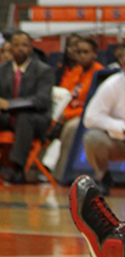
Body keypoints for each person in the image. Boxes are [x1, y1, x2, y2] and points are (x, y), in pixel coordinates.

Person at [0, 30, 54, 184]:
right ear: (10, 48)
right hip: (6, 118)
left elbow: (42, 100)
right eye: (16, 45)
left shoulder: (43, 70)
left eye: (25, 45)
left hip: (35, 119)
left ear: (31, 48)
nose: (21, 48)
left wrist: (10, 104)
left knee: (23, 117)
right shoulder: (1, 69)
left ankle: (18, 168)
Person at [52, 35, 103, 183]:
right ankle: (36, 171)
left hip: (86, 117)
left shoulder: (99, 73)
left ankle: (61, 174)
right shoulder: (74, 72)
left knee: (71, 128)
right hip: (67, 114)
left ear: (94, 54)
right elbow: (63, 96)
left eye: (86, 52)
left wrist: (67, 115)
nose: (81, 56)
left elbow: (93, 105)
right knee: (44, 122)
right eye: (79, 52)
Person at [80, 43, 125, 193]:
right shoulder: (112, 85)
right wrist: (120, 127)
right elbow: (90, 118)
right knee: (93, 138)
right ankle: (103, 176)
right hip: (119, 141)